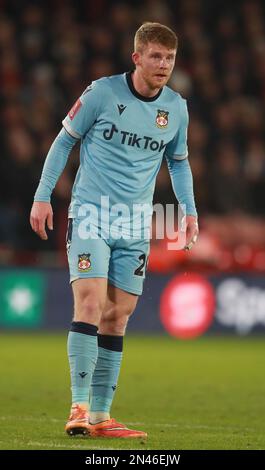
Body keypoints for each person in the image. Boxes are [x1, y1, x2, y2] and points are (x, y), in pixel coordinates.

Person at [30, 22, 199, 439]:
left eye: (170, 58)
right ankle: (79, 406)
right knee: (88, 303)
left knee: (118, 316)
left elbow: (178, 162)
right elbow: (64, 140)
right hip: (91, 214)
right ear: (137, 57)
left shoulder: (175, 108)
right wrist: (42, 195)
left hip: (136, 224)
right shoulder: (101, 93)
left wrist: (189, 211)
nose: (163, 65)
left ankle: (101, 417)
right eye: (156, 56)